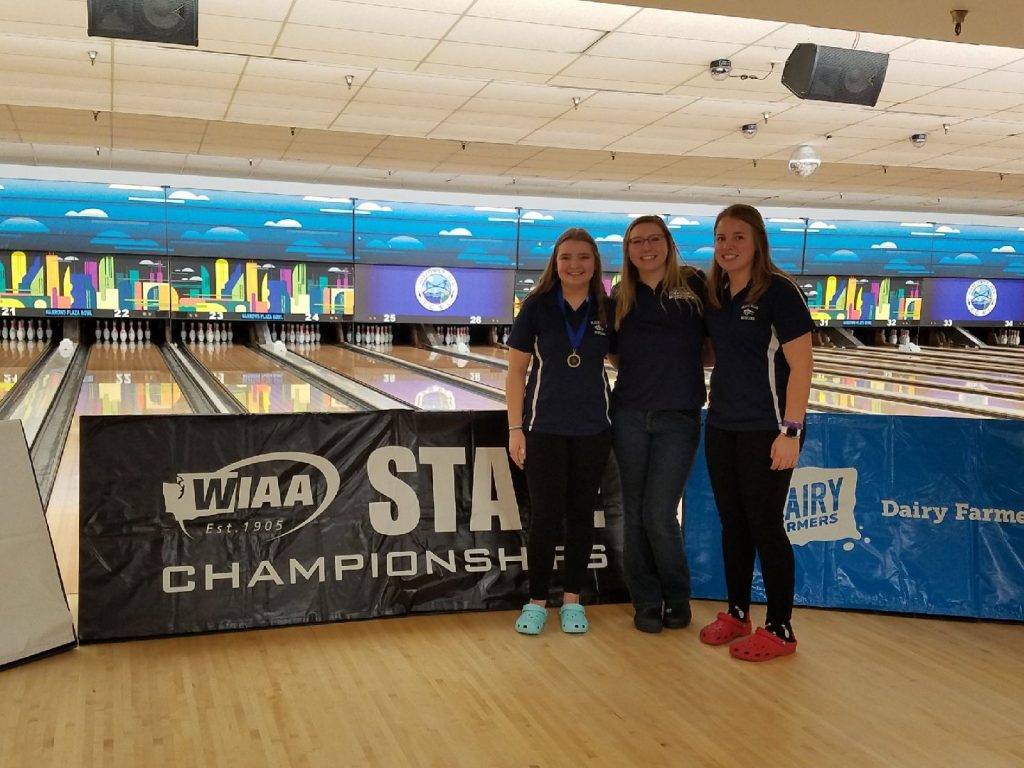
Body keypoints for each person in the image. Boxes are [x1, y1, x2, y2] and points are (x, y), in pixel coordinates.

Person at [700, 203, 813, 662]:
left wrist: (791, 431)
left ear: (757, 241)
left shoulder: (780, 293)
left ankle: (781, 628)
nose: (728, 246)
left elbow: (802, 364)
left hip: (767, 430)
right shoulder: (717, 292)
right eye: (721, 238)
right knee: (734, 526)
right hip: (722, 425)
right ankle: (737, 613)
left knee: (766, 526)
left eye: (738, 237)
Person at [505, 227, 613, 636]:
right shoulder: (536, 307)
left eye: (583, 257)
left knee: (581, 515)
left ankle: (572, 600)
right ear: (556, 261)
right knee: (546, 517)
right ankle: (536, 601)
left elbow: (623, 359)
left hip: (593, 429)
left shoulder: (608, 307)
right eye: (566, 257)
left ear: (594, 263)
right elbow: (516, 371)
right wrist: (516, 428)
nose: (574, 264)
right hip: (542, 428)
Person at [608, 215, 708, 633]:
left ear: (667, 243)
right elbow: (615, 355)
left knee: (659, 513)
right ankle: (645, 600)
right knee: (634, 514)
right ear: (628, 250)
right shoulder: (619, 295)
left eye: (653, 239)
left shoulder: (696, 285)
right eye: (636, 242)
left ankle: (677, 595)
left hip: (679, 417)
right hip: (630, 414)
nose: (645, 248)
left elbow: (713, 346)